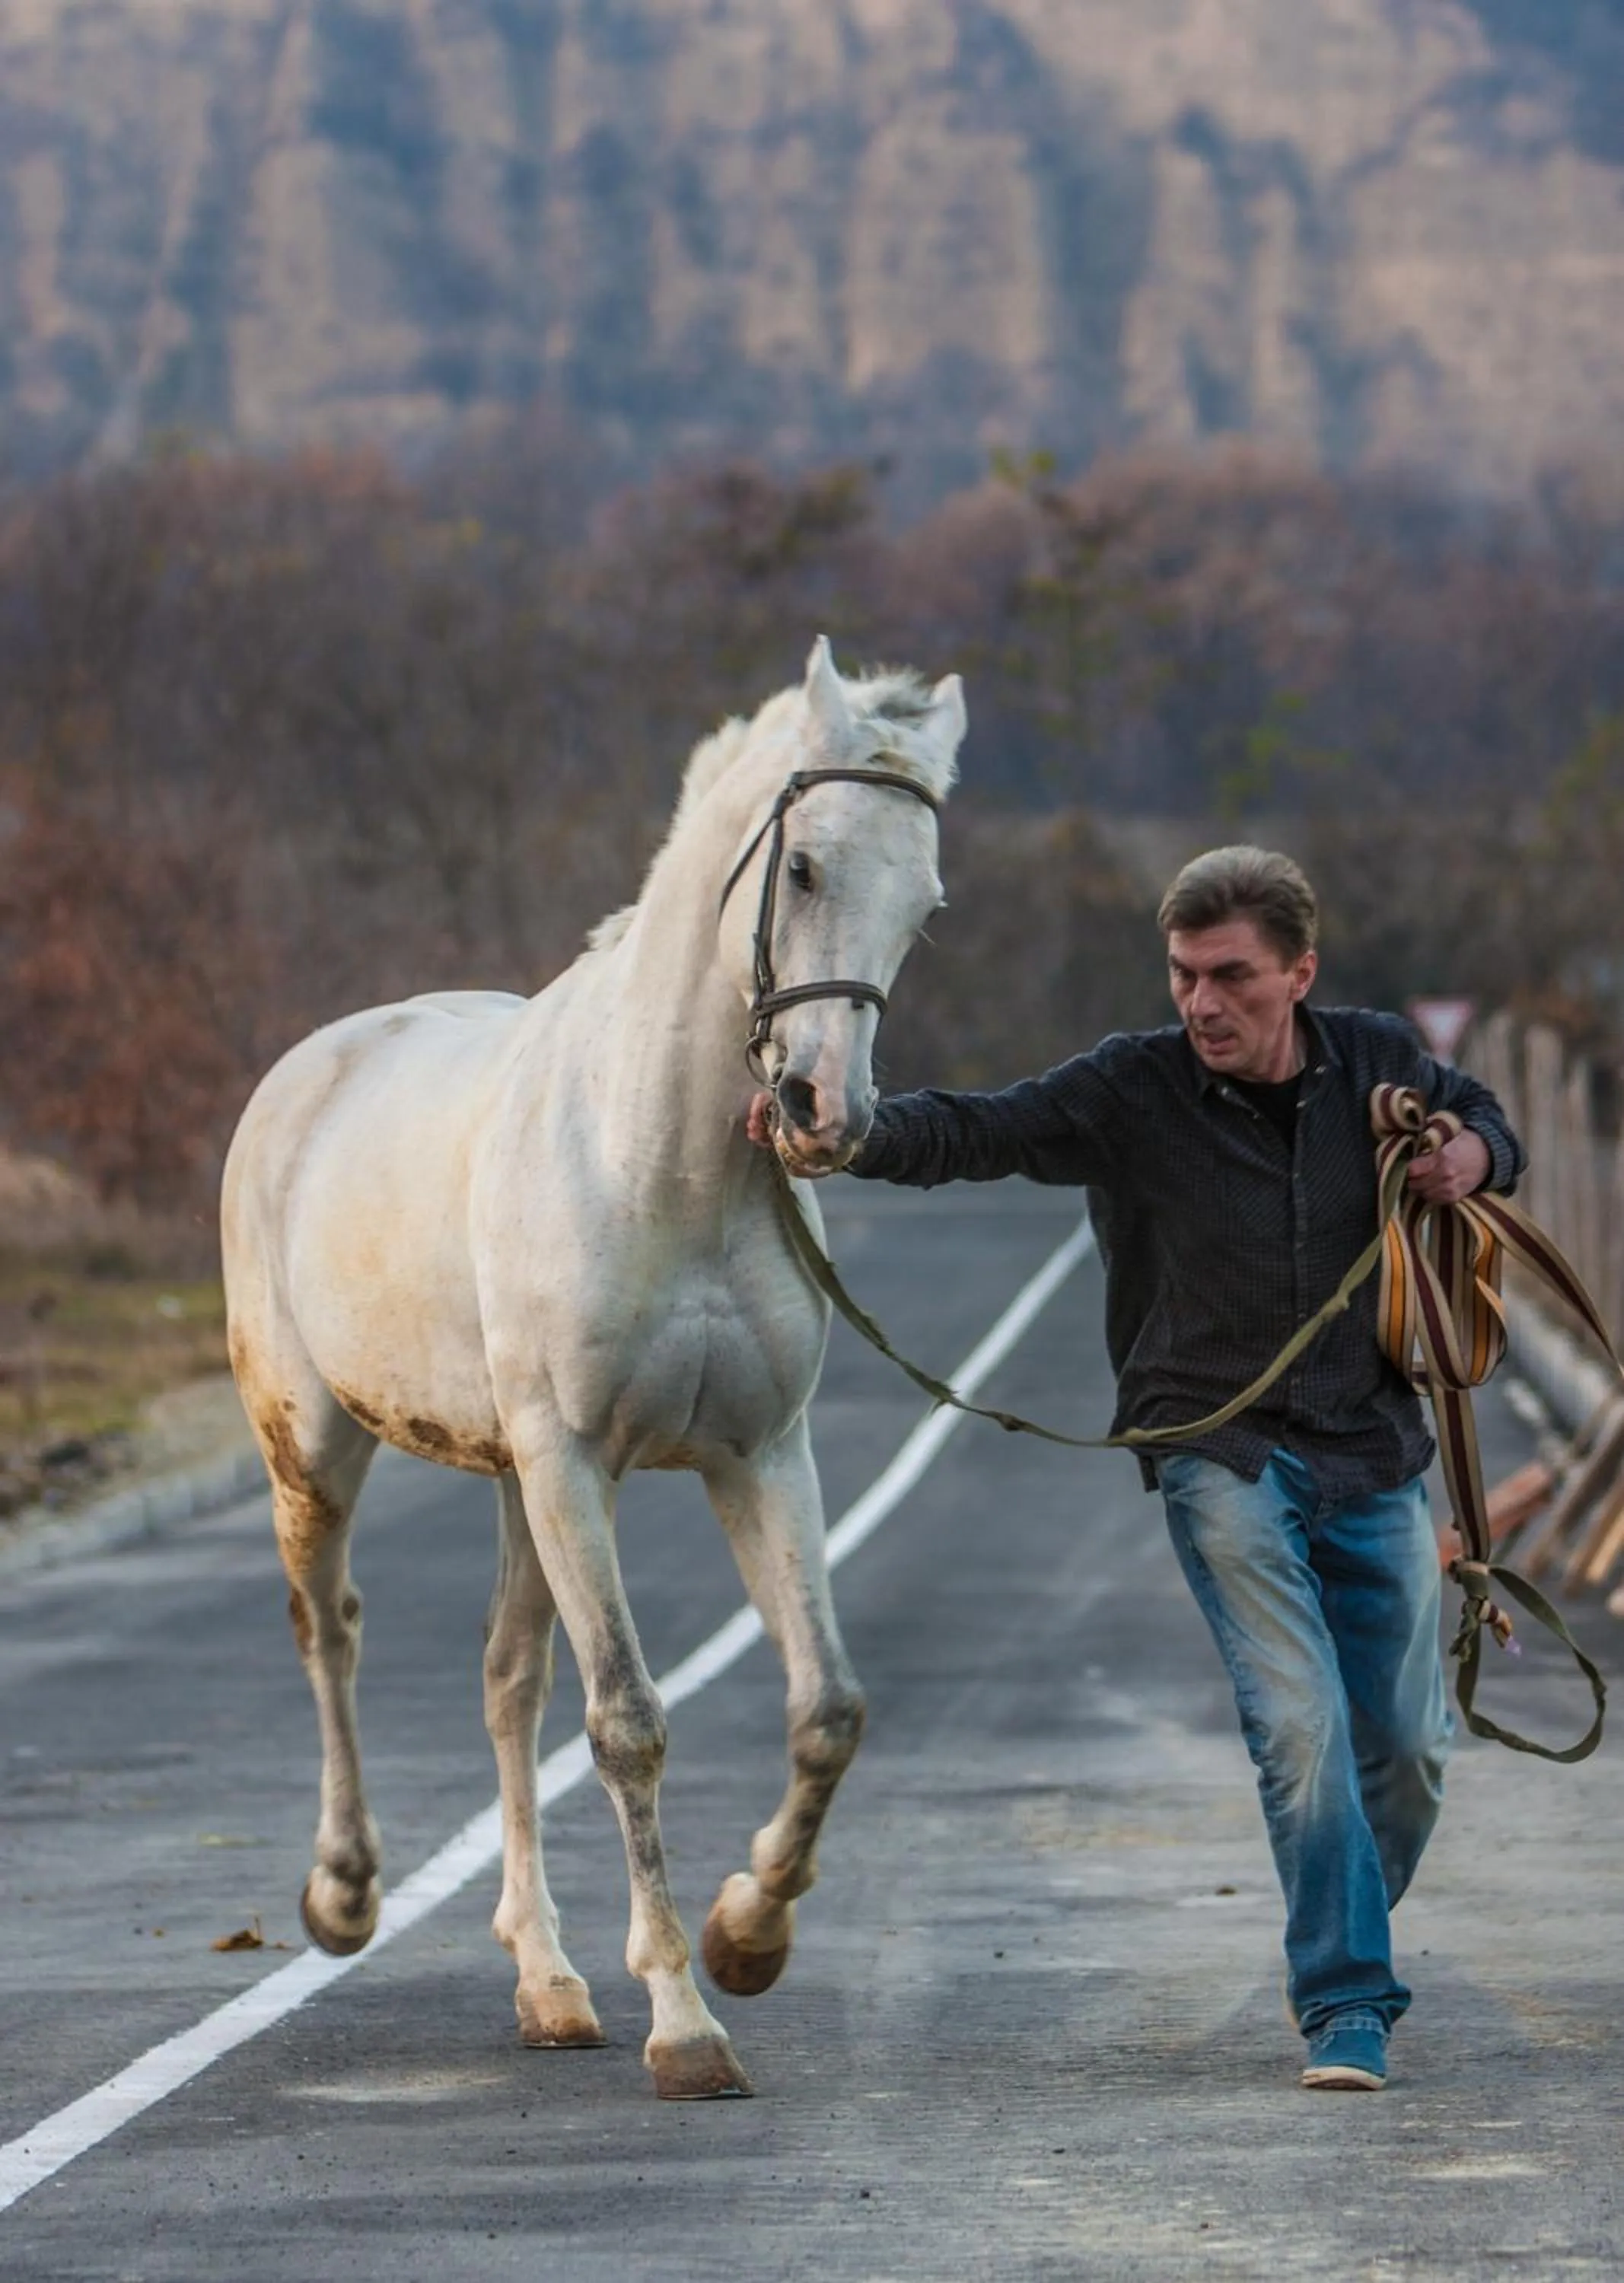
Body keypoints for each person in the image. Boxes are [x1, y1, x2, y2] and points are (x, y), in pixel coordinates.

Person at [749, 843, 1524, 2093]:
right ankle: (1343, 2003)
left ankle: (1344, 1934)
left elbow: (1485, 1119)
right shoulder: (1134, 1088)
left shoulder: (1376, 1059)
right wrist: (845, 1135)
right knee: (1302, 1727)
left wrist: (1470, 1158)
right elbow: (982, 1128)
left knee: (1409, 1751)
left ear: (1298, 976)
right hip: (1214, 1446)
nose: (1200, 1004)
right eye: (1181, 976)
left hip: (1373, 1448)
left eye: (1229, 977)